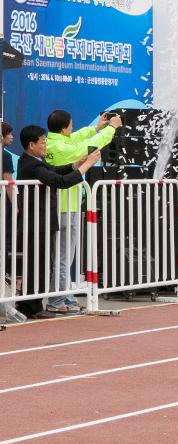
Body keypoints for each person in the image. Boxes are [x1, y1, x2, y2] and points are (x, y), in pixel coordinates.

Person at [16, 126, 100, 317]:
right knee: (36, 265)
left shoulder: (35, 161)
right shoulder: (32, 165)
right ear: (31, 145)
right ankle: (32, 307)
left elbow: (54, 171)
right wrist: (87, 166)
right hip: (36, 222)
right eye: (42, 141)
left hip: (41, 220)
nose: (45, 144)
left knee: (40, 264)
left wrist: (76, 164)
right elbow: (60, 182)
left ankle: (31, 304)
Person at [45, 109, 119, 312]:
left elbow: (77, 138)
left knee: (63, 256)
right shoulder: (62, 147)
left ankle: (65, 297)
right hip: (65, 206)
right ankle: (56, 301)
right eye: (71, 125)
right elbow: (91, 145)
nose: (73, 128)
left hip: (65, 205)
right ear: (63, 128)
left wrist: (96, 127)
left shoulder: (54, 142)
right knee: (62, 257)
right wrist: (112, 127)